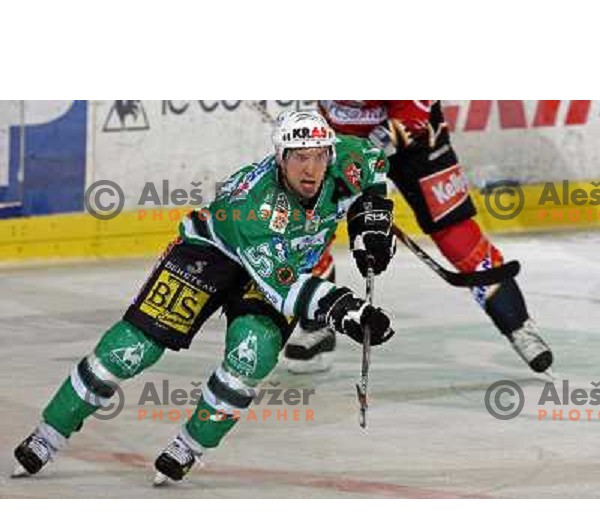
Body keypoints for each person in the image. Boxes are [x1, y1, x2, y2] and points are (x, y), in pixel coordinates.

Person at [13, 110, 396, 484]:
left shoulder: (347, 156)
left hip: (279, 262)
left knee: (253, 353)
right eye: (299, 158)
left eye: (317, 156)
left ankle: (188, 445)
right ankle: (49, 433)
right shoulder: (257, 209)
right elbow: (286, 289)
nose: (310, 169)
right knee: (132, 348)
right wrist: (350, 312)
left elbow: (377, 167)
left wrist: (371, 221)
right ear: (280, 158)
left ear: (329, 152)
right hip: (211, 253)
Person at [285, 100, 553, 374]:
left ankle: (518, 325)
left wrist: (367, 153)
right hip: (342, 140)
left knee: (456, 235)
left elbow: (414, 112)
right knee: (306, 230)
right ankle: (317, 325)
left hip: (419, 139)